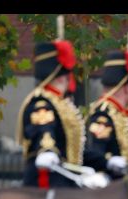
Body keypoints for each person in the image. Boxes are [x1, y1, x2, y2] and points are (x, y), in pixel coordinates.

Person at [16, 38, 86, 188]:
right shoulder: (42, 102)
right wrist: (47, 150)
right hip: (47, 179)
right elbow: (44, 130)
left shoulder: (60, 103)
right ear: (61, 78)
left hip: (66, 176)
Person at [83, 49, 128, 180]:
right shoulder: (103, 113)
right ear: (127, 88)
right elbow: (94, 151)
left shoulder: (116, 113)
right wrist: (108, 161)